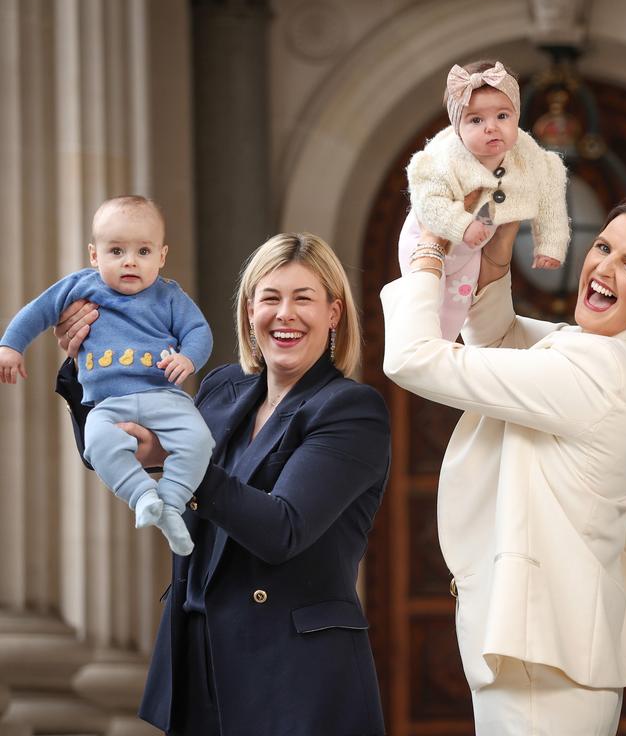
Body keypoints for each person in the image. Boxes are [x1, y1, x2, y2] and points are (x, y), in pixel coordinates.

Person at [382, 197, 626, 735]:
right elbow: (501, 342)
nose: (603, 268)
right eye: (603, 247)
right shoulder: (611, 357)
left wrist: (429, 252)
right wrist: (497, 263)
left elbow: (413, 359)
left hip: (541, 665)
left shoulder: (604, 371)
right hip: (546, 657)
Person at [54, 233, 390, 736]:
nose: (285, 314)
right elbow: (112, 452)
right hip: (199, 661)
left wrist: (179, 460)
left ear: (334, 313)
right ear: (249, 310)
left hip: (296, 679)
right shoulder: (222, 387)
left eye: (304, 299)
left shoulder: (349, 410)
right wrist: (88, 364)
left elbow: (283, 529)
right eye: (270, 298)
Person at [0, 195, 213, 555]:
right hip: (108, 404)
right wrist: (11, 346)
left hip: (164, 396)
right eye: (116, 251)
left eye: (143, 252)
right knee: (97, 443)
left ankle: (172, 502)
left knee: (199, 440)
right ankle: (143, 495)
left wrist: (189, 359)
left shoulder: (170, 296)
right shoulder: (80, 286)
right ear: (94, 255)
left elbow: (199, 332)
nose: (130, 261)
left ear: (161, 256)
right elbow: (37, 312)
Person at [397, 59, 570, 340]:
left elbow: (549, 191)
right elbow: (428, 200)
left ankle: (441, 351)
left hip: (474, 251)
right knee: (426, 302)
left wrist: (550, 244)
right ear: (457, 127)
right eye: (476, 120)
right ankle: (417, 344)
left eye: (503, 116)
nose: (491, 127)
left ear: (517, 116)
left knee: (457, 307)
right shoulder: (444, 155)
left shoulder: (527, 153)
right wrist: (462, 225)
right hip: (427, 241)